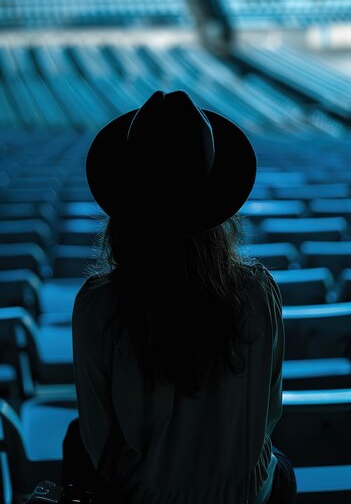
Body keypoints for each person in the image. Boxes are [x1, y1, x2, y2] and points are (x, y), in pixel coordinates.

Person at [65, 90, 297, 504]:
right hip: (246, 496)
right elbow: (269, 415)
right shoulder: (260, 292)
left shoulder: (97, 307)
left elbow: (97, 442)